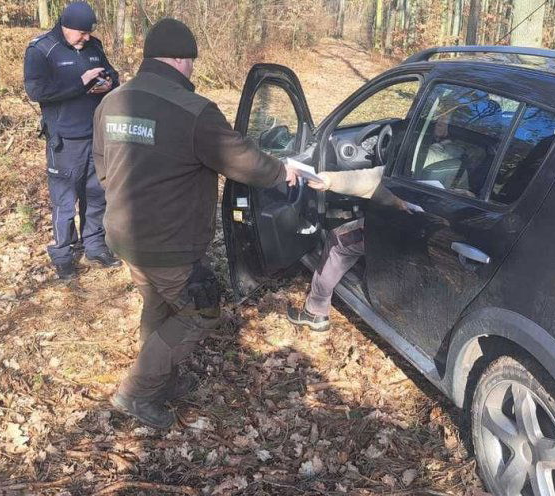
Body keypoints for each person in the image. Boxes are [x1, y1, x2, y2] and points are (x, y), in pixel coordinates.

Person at [93, 18, 298, 429]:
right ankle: (137, 392)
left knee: (157, 303)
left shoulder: (112, 101)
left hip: (122, 233)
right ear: (181, 60)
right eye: (191, 62)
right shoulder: (194, 111)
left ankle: (161, 379)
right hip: (168, 242)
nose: (192, 70)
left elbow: (101, 166)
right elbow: (241, 160)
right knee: (200, 312)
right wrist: (281, 171)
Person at [23, 1, 121, 280]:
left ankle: (94, 246)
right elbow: (36, 90)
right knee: (65, 202)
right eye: (81, 33)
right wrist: (81, 84)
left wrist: (108, 83)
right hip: (64, 139)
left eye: (89, 32)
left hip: (96, 135)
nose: (86, 38)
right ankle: (64, 254)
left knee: (97, 194)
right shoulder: (42, 49)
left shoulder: (94, 46)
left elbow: (111, 73)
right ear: (66, 27)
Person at [287, 166, 418, 332]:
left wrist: (329, 180)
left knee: (338, 240)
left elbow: (372, 180)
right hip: (422, 238)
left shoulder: (413, 160)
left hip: (394, 230)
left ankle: (314, 311)